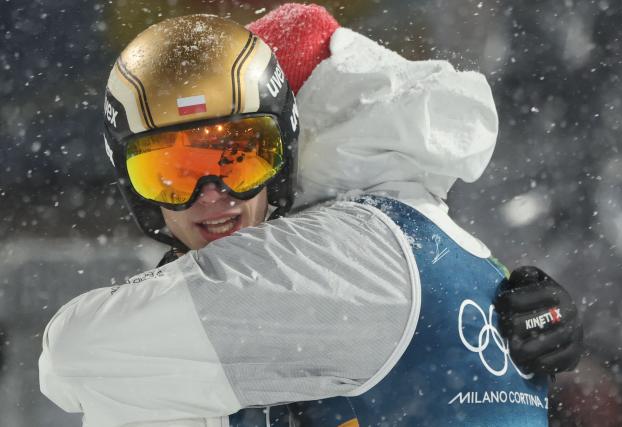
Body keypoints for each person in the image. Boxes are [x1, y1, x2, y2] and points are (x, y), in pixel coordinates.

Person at [39, 4, 583, 426]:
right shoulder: (402, 235)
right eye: (173, 171)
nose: (212, 194)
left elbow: (72, 356)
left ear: (299, 149)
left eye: (240, 157)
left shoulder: (352, 248)